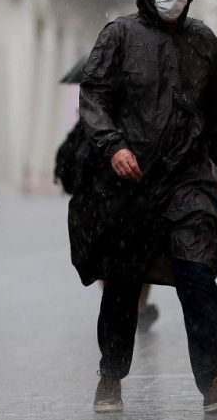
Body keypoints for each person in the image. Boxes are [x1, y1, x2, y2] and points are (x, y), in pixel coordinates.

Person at [68, 0, 217, 414]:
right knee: (123, 286)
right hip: (130, 185)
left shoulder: (204, 42)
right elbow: (93, 100)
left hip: (188, 179)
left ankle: (214, 381)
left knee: (198, 275)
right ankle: (110, 376)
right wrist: (114, 147)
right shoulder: (120, 36)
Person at [55, 120, 159, 332]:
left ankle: (116, 304)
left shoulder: (85, 125)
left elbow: (68, 165)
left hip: (97, 208)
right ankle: (137, 306)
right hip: (126, 203)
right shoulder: (132, 122)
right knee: (140, 259)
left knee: (107, 262)